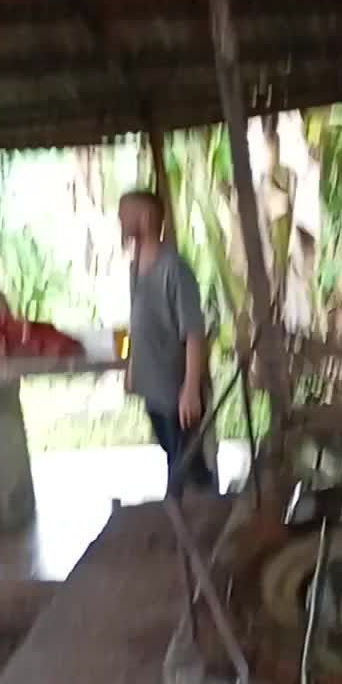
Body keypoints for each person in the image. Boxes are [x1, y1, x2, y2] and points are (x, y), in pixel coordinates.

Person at [118, 190, 215, 496]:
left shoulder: (174, 268)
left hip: (176, 387)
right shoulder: (136, 267)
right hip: (154, 385)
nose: (120, 220)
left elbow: (194, 333)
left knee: (181, 463)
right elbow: (138, 322)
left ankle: (186, 520)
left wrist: (190, 388)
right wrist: (132, 364)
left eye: (125, 214)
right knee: (179, 455)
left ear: (145, 219)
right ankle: (203, 503)